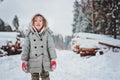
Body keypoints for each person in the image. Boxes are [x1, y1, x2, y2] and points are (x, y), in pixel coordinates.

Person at [21, 13, 57, 80]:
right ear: (33, 22)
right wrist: (24, 61)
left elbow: (51, 47)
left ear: (43, 22)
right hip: (33, 61)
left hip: (44, 61)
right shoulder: (29, 34)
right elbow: (26, 48)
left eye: (40, 21)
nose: (38, 22)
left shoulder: (47, 34)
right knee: (34, 78)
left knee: (46, 77)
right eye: (36, 21)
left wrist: (53, 59)